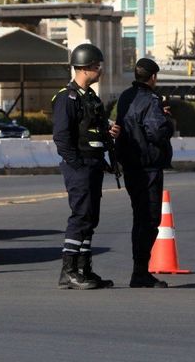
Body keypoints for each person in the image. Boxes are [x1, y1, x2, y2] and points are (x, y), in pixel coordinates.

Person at [52, 43, 120, 290]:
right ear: (84, 68)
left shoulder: (90, 98)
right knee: (80, 216)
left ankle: (84, 269)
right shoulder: (66, 98)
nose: (99, 70)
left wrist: (109, 132)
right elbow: (61, 136)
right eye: (96, 66)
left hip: (93, 163)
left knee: (91, 217)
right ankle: (68, 271)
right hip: (80, 166)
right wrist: (76, 163)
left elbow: (95, 128)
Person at [115, 58, 174, 288]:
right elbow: (157, 132)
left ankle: (139, 270)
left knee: (139, 218)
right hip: (147, 167)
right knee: (149, 220)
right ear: (152, 77)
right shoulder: (151, 100)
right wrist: (167, 119)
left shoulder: (125, 97)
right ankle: (140, 271)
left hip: (130, 165)